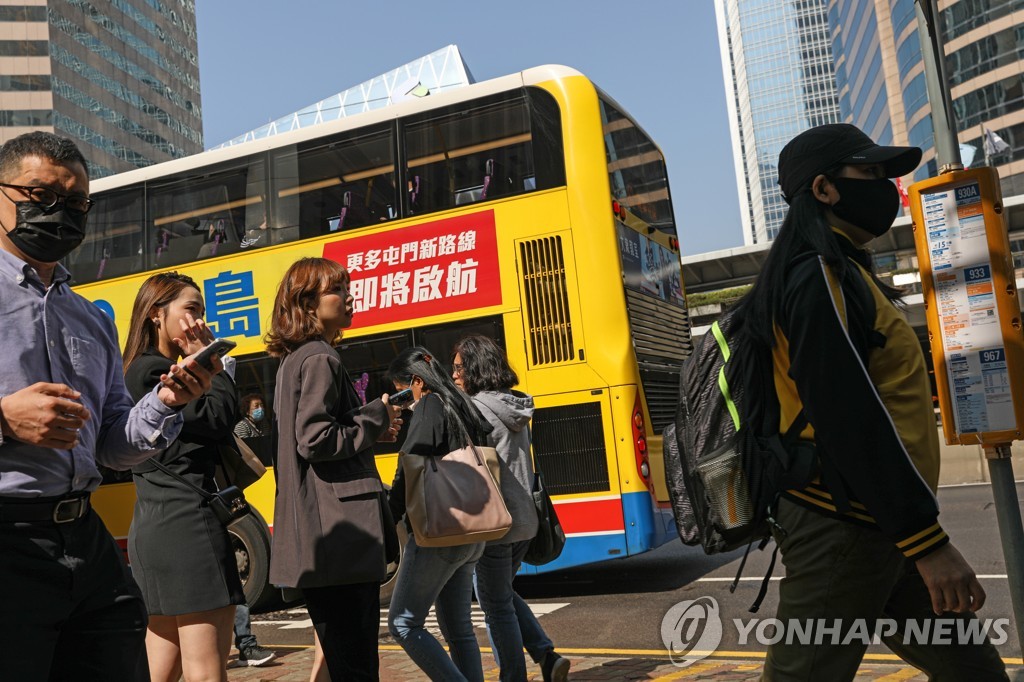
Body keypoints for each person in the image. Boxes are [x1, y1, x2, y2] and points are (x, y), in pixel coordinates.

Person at [736, 123, 1008, 680]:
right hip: (844, 525)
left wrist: (913, 534)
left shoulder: (844, 270)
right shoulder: (814, 274)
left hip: (879, 522)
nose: (888, 186)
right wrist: (927, 543)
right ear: (824, 189)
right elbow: (849, 415)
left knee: (974, 672)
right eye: (872, 173)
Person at [0, 131, 218, 680]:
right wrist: (4, 419)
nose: (59, 212)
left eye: (75, 203)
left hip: (87, 542)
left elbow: (113, 446)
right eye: (40, 195)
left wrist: (167, 400)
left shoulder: (91, 317)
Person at [266, 257, 402, 681]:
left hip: (316, 532)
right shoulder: (321, 358)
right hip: (339, 531)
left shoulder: (294, 360)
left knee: (342, 660)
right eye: (337, 289)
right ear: (307, 303)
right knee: (357, 664)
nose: (348, 296)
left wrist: (361, 425)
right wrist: (374, 417)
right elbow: (316, 439)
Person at [122, 272, 247, 682]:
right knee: (207, 671)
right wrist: (214, 366)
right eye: (190, 310)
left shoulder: (134, 369)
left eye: (202, 312)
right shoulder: (157, 373)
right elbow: (219, 417)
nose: (199, 322)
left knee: (162, 669)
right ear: (157, 315)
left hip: (152, 527)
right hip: (189, 526)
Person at [451, 335, 570, 682]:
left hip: (495, 523)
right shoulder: (513, 404)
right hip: (525, 521)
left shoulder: (475, 409)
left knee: (494, 604)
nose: (454, 375)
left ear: (475, 368)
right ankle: (546, 656)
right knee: (501, 592)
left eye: (459, 368)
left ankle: (514, 676)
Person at [386, 346, 493, 682]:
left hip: (440, 531)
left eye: (405, 391)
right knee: (458, 628)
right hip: (472, 533)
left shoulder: (431, 404)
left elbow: (411, 461)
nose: (405, 400)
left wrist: (390, 514)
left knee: (403, 623)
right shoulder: (461, 402)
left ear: (418, 381)